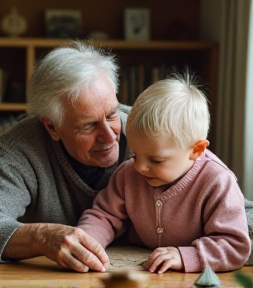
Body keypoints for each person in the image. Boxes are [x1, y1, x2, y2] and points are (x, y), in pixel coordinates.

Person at [0, 40, 133, 272]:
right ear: (53, 127)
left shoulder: (151, 131)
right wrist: (41, 237)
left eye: (113, 114)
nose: (109, 135)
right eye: (89, 125)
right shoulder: (19, 148)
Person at [77, 71, 251, 273]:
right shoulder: (128, 175)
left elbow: (234, 245)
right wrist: (86, 241)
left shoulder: (217, 181)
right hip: (138, 270)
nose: (140, 167)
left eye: (155, 160)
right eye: (135, 154)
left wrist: (186, 256)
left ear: (196, 150)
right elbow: (104, 216)